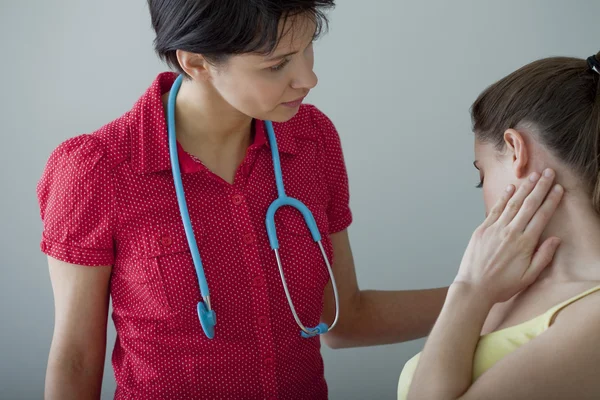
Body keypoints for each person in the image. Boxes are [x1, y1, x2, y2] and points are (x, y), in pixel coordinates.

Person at [37, 1, 557, 399]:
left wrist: (490, 291)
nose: (308, 77)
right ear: (195, 62)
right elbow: (78, 362)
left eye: (309, 46)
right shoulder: (96, 171)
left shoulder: (312, 141)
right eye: (276, 64)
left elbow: (342, 318)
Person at [398, 52, 600, 400]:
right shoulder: (507, 284)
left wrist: (470, 290)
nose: (483, 197)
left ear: (515, 149)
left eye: (482, 174)